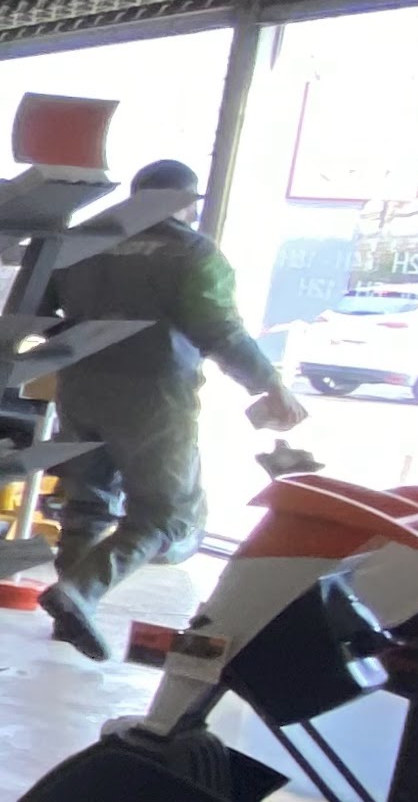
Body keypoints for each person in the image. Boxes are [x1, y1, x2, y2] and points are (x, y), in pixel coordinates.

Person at [37, 158, 308, 661]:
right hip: (154, 394)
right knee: (168, 516)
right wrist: (268, 384)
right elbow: (219, 329)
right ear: (187, 203)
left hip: (80, 387)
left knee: (86, 502)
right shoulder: (192, 252)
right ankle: (79, 592)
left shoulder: (78, 243)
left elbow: (33, 313)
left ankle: (69, 613)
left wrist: (82, 342)